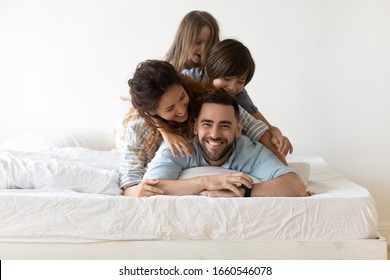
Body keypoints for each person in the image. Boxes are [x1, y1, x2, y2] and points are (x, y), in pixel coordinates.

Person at [119, 60, 283, 196]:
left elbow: (252, 126)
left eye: (182, 97)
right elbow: (130, 182)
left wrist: (284, 166)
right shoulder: (138, 127)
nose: (183, 110)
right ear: (152, 112)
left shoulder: (201, 98)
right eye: (170, 109)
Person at [142, 91, 306, 197]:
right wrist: (206, 182)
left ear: (238, 129)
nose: (214, 135)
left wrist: (240, 191)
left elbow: (296, 186)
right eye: (207, 124)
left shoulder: (250, 151)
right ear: (195, 126)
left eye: (225, 125)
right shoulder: (178, 147)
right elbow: (148, 189)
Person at [182, 38, 293, 157]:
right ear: (211, 71)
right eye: (227, 79)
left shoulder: (238, 94)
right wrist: (166, 132)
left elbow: (254, 115)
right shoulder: (191, 78)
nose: (232, 87)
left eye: (240, 81)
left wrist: (273, 130)